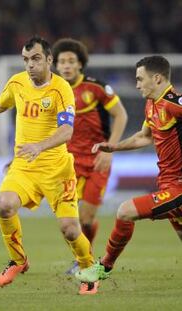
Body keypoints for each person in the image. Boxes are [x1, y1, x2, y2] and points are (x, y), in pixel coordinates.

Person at [0, 36, 97, 295]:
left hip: (57, 170)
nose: (30, 65)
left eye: (36, 59)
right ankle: (18, 260)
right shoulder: (17, 82)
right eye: (26, 60)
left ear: (49, 60)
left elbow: (66, 131)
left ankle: (90, 271)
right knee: (4, 205)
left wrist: (39, 146)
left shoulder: (61, 89)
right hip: (24, 167)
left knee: (70, 229)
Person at [76, 55, 182, 284]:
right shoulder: (152, 104)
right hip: (167, 183)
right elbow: (143, 137)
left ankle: (103, 267)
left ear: (156, 78)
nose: (136, 85)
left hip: (179, 188)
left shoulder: (175, 103)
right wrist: (113, 147)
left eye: (139, 79)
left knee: (125, 211)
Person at [52, 38, 128, 274]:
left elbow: (121, 115)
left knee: (86, 217)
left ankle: (84, 258)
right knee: (69, 220)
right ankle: (81, 259)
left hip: (97, 161)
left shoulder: (96, 87)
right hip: (68, 162)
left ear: (80, 64)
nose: (66, 66)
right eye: (62, 61)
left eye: (71, 61)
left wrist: (110, 148)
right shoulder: (53, 92)